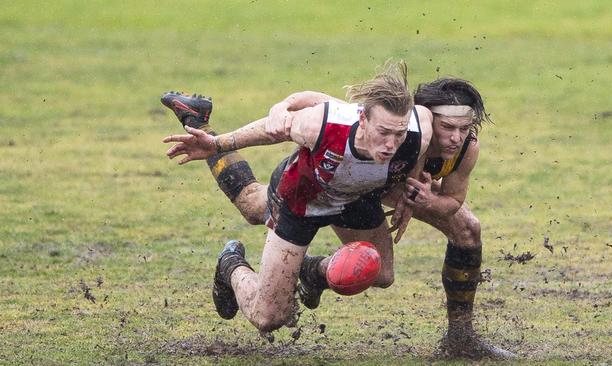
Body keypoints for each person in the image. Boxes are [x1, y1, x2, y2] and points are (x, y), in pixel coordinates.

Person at [162, 74, 514, 359]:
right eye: (446, 127)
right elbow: (308, 108)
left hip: (356, 197)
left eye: (463, 128)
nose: (454, 137)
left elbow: (444, 194)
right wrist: (263, 117)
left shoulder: (424, 136)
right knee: (255, 210)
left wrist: (416, 199)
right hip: (305, 193)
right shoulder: (358, 121)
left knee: (400, 263)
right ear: (425, 115)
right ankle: (230, 258)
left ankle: (460, 338)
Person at [162, 62, 432, 332]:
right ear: (362, 118)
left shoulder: (417, 132)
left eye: (398, 134)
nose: (390, 144)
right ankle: (230, 264)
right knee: (268, 317)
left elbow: (421, 147)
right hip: (302, 198)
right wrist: (218, 143)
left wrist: (412, 188)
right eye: (383, 132)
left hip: (356, 199)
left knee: (382, 273)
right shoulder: (322, 125)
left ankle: (313, 272)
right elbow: (273, 129)